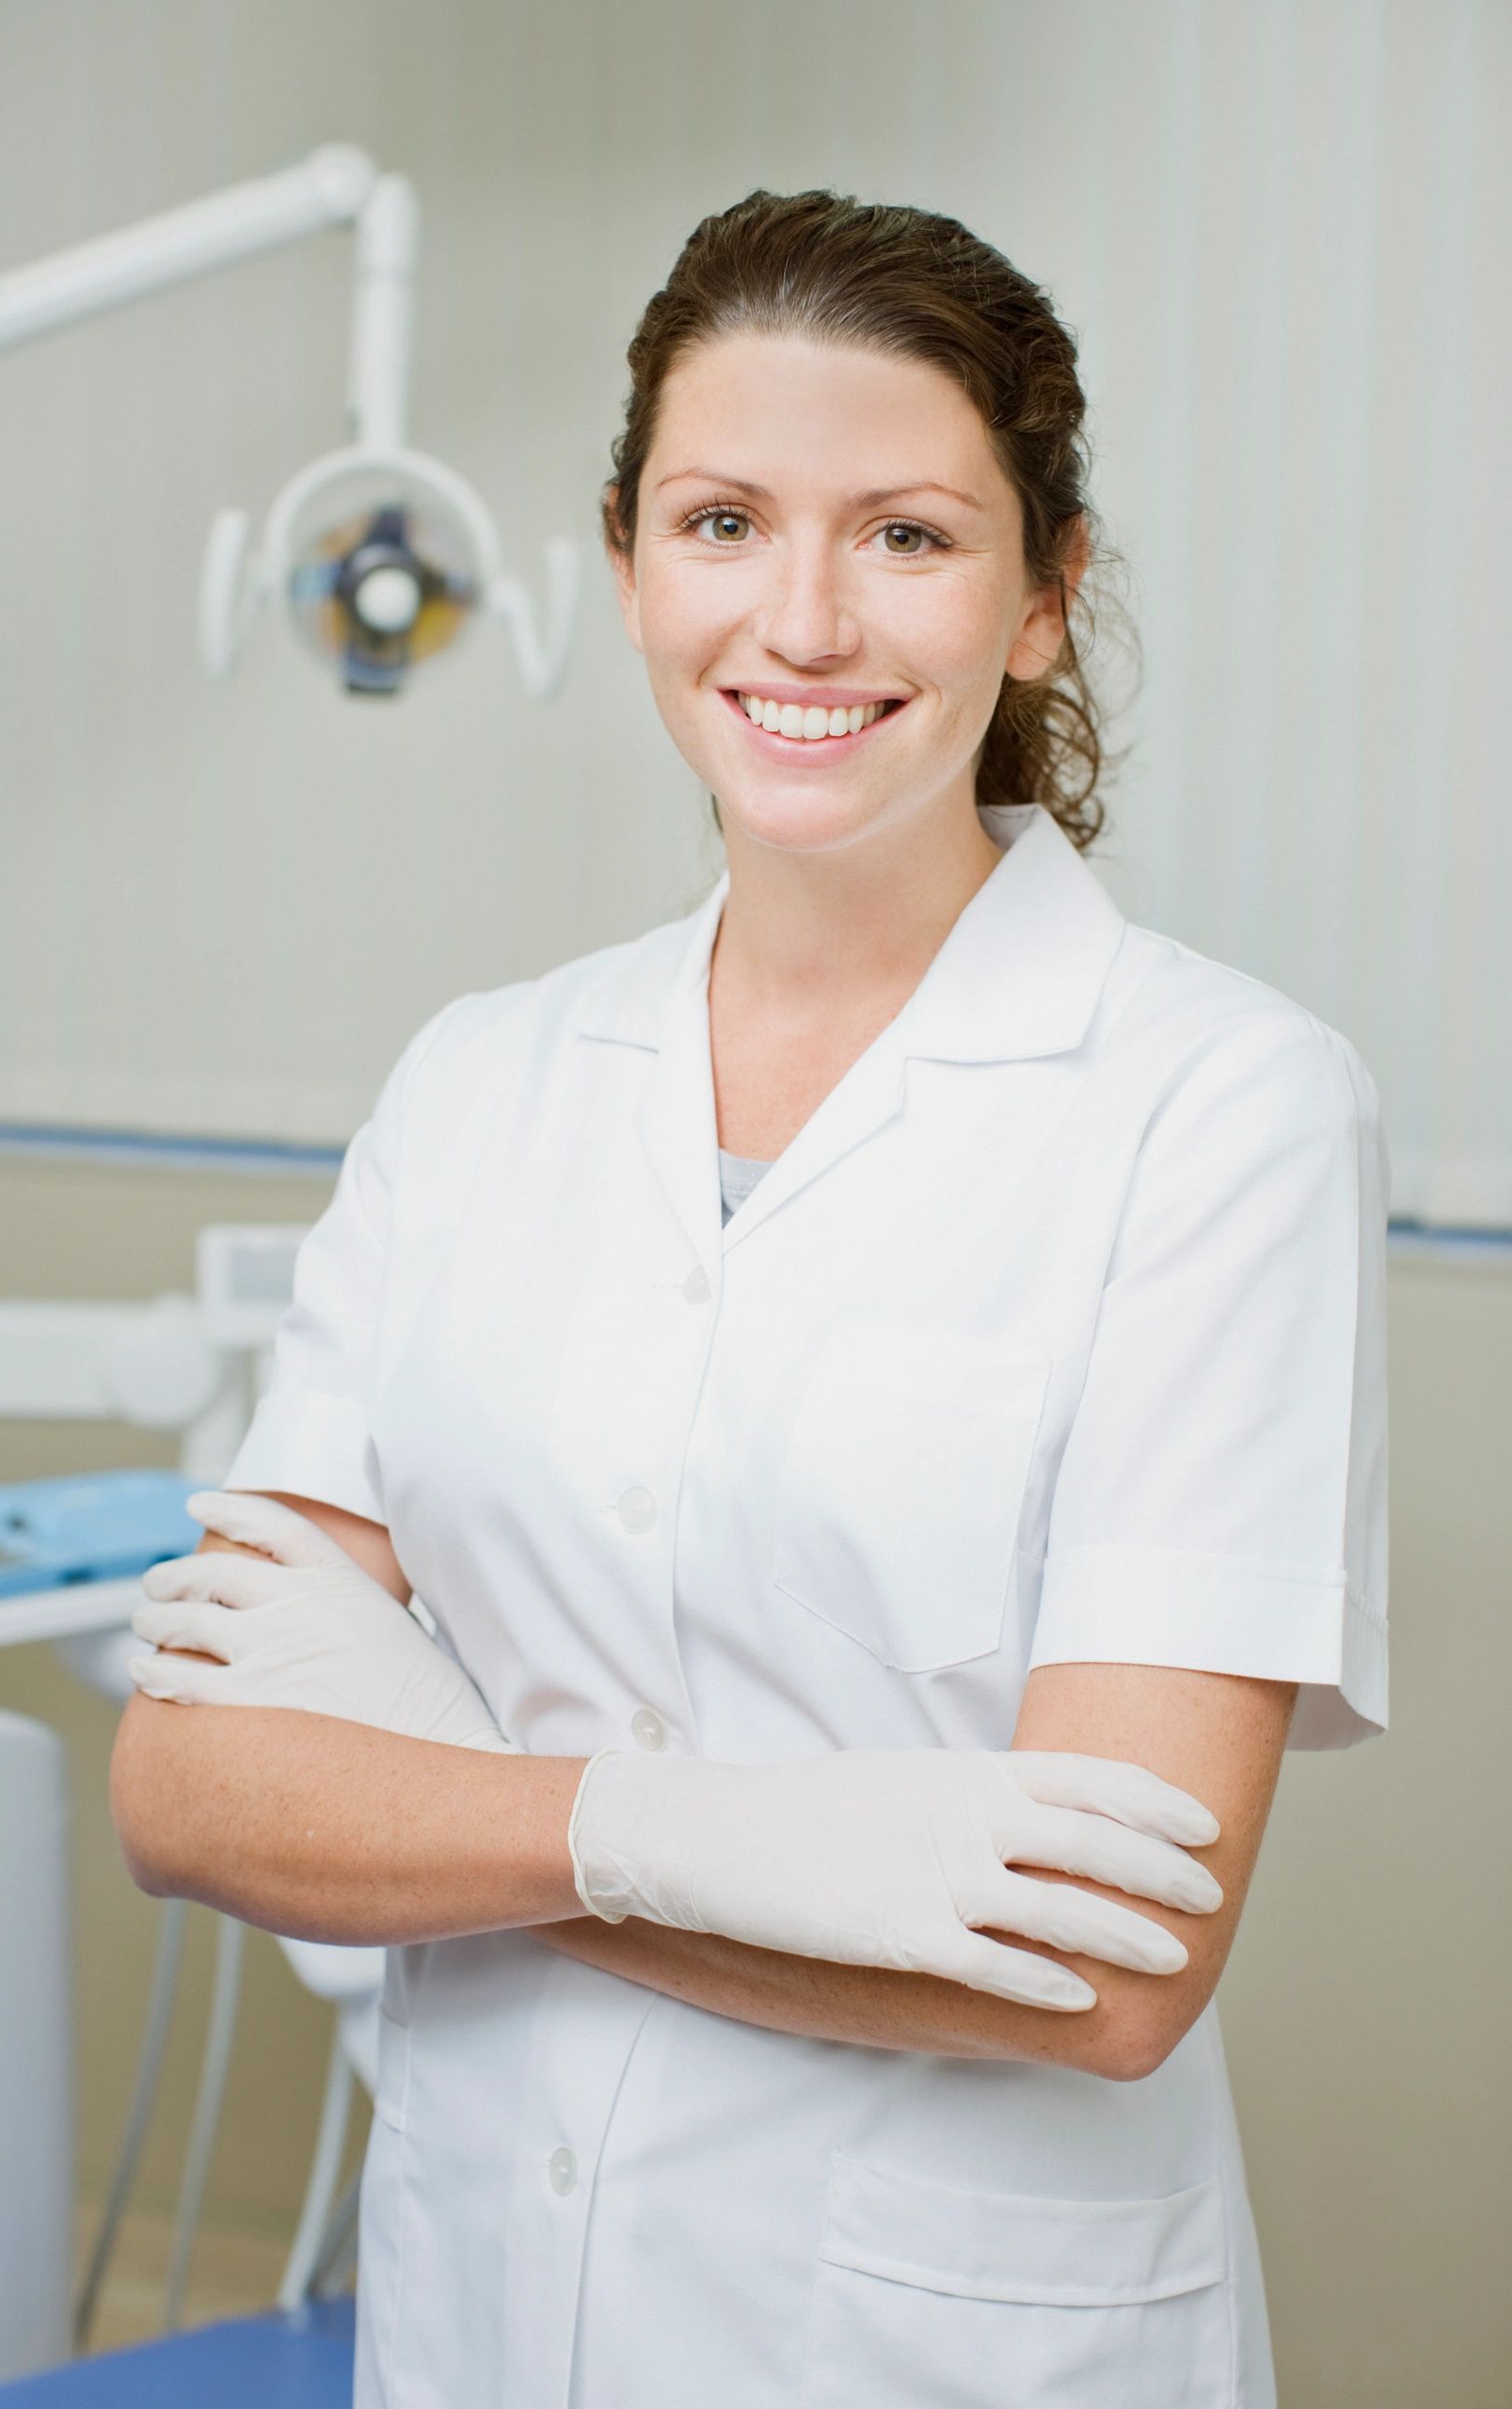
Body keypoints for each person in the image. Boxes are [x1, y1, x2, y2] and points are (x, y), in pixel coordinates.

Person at [111, 188, 1390, 2409]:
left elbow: (1104, 1970)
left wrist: (458, 1799)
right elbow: (196, 1787)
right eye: (721, 520)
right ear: (626, 567)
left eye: (905, 534)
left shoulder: (1222, 1109)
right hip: (484, 2300)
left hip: (937, 2338)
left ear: (1045, 597)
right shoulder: (480, 1080)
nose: (800, 620)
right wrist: (736, 1834)